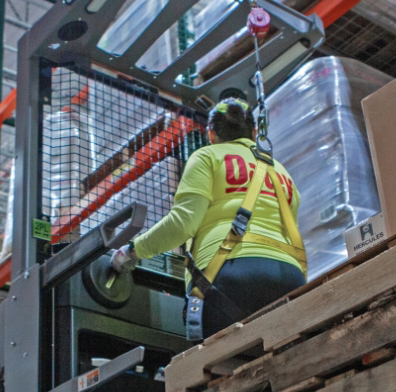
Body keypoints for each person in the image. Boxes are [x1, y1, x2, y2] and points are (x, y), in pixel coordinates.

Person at [111, 97, 306, 341]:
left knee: (223, 367)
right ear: (255, 132)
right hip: (290, 276)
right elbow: (292, 229)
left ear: (211, 134)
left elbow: (182, 223)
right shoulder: (281, 171)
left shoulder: (207, 157)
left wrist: (132, 251)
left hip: (230, 276)